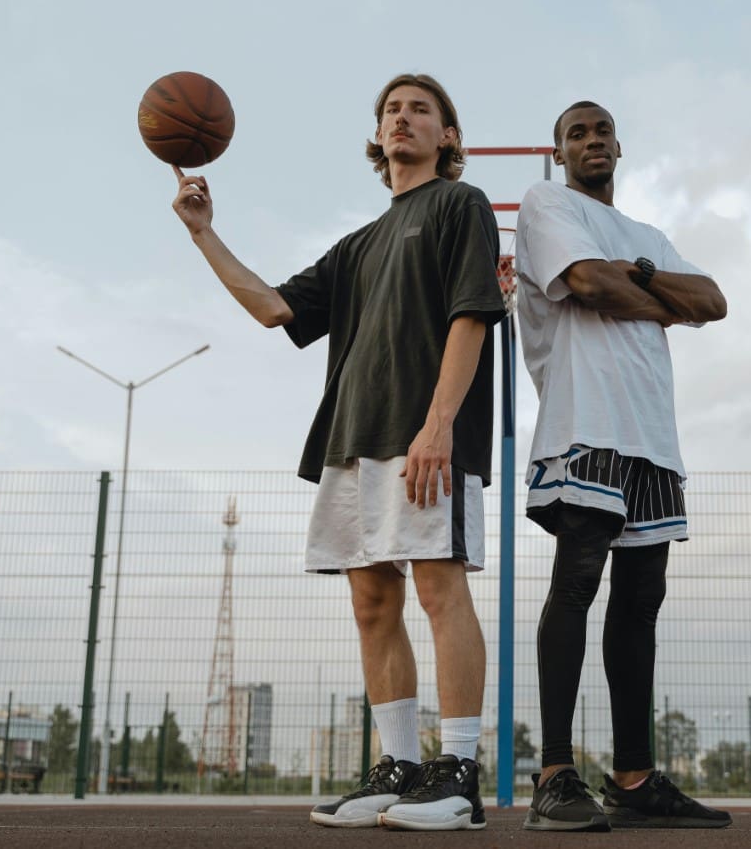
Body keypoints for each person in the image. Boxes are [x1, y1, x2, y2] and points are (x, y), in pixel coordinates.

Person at [171, 73, 504, 832]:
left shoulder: (461, 204)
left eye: (421, 110)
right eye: (392, 110)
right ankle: (399, 769)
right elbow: (272, 308)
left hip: (425, 434)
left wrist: (439, 424)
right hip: (353, 438)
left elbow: (472, 315)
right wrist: (201, 231)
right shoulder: (358, 245)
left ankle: (457, 775)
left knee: (439, 589)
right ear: (377, 134)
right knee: (371, 601)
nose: (403, 119)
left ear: (448, 137)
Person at [513, 101, 731, 831]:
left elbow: (714, 300)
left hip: (652, 434)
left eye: (602, 129)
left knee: (641, 603)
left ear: (619, 144)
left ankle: (634, 779)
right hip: (588, 420)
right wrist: (662, 299)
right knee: (577, 581)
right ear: (560, 151)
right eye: (577, 133)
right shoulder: (548, 203)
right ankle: (553, 773)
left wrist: (638, 274)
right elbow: (585, 282)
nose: (592, 140)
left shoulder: (647, 236)